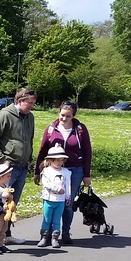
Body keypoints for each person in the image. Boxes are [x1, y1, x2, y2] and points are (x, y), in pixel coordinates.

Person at [33, 100, 92, 244]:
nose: (64, 118)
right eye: (62, 115)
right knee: (50, 202)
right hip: (53, 169)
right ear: (58, 113)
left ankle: (65, 232)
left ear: (73, 116)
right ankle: (47, 234)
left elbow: (87, 151)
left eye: (68, 116)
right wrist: (37, 171)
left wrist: (86, 175)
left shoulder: (80, 129)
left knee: (68, 202)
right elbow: (42, 150)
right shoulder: (51, 129)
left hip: (74, 169)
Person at [0, 87, 38, 245]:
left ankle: (6, 235)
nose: (31, 106)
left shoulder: (30, 117)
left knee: (12, 203)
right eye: (29, 103)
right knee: (0, 203)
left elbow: (29, 139)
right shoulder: (5, 115)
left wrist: (29, 158)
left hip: (22, 166)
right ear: (19, 101)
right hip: (7, 166)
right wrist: (2, 159)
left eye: (33, 103)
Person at [36, 144, 72, 248]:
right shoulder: (46, 171)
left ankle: (55, 238)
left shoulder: (66, 172)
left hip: (60, 201)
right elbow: (46, 184)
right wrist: (56, 189)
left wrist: (67, 197)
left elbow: (67, 185)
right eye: (57, 160)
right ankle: (44, 237)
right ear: (50, 160)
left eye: (61, 160)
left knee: (56, 220)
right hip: (49, 199)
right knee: (47, 219)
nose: (59, 162)